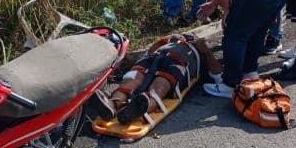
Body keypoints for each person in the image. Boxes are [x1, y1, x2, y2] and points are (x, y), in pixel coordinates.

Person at [90, 33, 223, 124]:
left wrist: (206, 50)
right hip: (153, 58)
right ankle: (113, 104)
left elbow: (218, 75)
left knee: (161, 83)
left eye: (192, 36)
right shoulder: (171, 39)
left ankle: (141, 106)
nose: (189, 36)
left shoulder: (199, 50)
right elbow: (150, 51)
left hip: (179, 63)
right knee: (134, 77)